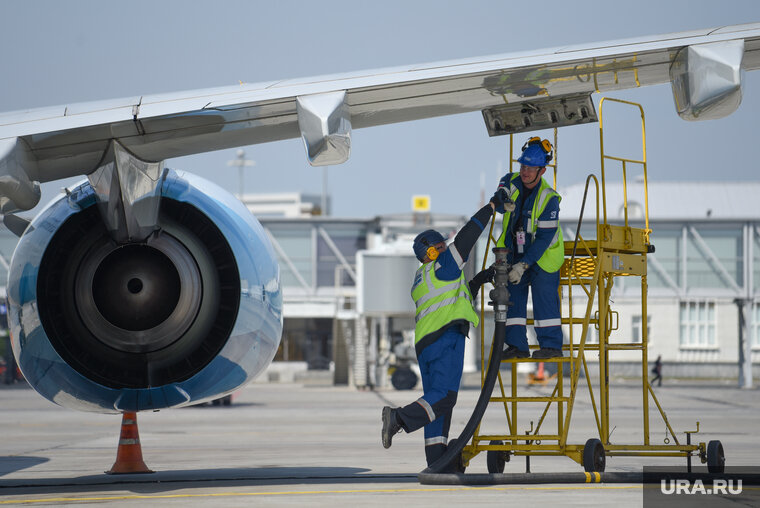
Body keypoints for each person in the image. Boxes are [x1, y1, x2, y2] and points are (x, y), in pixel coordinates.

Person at [381, 191, 509, 468]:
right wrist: (490, 208)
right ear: (433, 250)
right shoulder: (443, 264)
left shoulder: (425, 277)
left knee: (436, 401)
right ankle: (398, 419)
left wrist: (478, 280)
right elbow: (466, 237)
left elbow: (455, 297)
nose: (446, 247)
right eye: (442, 245)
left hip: (427, 345)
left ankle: (438, 459)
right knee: (444, 397)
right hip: (445, 339)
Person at [495, 137, 564, 359]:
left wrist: (523, 265)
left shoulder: (549, 198)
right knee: (512, 295)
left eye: (530, 168)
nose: (525, 172)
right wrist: (501, 199)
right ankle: (517, 346)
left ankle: (551, 347)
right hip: (514, 250)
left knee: (544, 296)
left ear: (541, 171)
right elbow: (499, 194)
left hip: (544, 256)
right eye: (523, 166)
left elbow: (544, 239)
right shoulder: (510, 181)